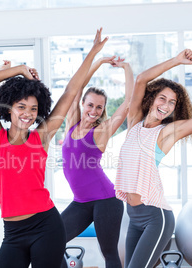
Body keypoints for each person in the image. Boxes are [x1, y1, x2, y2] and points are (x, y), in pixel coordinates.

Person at [0, 28, 108, 268]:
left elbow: (70, 91)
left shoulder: (41, 137)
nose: (27, 114)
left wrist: (93, 52)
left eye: (33, 109)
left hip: (46, 226)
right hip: (12, 233)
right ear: (9, 108)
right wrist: (18, 69)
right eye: (21, 107)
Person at [114, 49, 192, 268]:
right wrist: (176, 61)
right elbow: (142, 79)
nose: (166, 105)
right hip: (133, 217)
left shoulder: (166, 132)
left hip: (156, 217)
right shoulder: (134, 122)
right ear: (151, 98)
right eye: (162, 98)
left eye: (172, 102)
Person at [60, 55, 134, 268]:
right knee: (52, 240)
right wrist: (99, 63)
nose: (93, 111)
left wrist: (126, 68)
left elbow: (128, 104)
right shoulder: (71, 124)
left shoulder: (100, 131)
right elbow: (76, 87)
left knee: (109, 253)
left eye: (99, 108)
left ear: (103, 110)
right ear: (83, 103)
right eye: (90, 105)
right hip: (80, 202)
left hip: (106, 201)